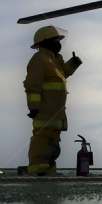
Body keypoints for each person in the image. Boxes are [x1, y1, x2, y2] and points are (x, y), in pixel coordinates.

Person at [24, 26, 82, 176]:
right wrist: (34, 107)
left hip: (56, 113)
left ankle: (48, 170)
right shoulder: (39, 59)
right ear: (46, 42)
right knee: (42, 140)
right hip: (45, 112)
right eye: (56, 40)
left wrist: (73, 63)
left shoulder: (54, 60)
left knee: (53, 144)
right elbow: (32, 84)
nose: (58, 43)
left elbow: (61, 75)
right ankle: (38, 170)